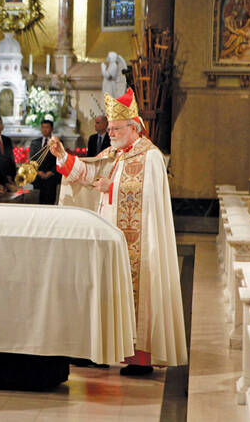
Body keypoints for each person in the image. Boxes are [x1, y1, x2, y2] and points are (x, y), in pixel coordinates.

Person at [50, 88, 187, 375]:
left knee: (136, 290)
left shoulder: (149, 156)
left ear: (133, 127)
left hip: (137, 240)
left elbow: (147, 196)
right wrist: (63, 157)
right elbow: (89, 175)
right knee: (103, 289)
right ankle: (99, 350)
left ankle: (138, 357)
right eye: (109, 128)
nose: (110, 132)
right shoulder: (116, 153)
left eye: (115, 128)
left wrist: (110, 187)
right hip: (108, 237)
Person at [29, 119, 60, 205]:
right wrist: (38, 172)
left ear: (51, 129)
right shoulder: (35, 143)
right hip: (38, 177)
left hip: (51, 178)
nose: (44, 129)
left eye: (47, 127)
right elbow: (32, 160)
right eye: (43, 127)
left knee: (49, 202)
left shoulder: (57, 143)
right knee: (37, 202)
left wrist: (51, 172)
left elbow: (59, 160)